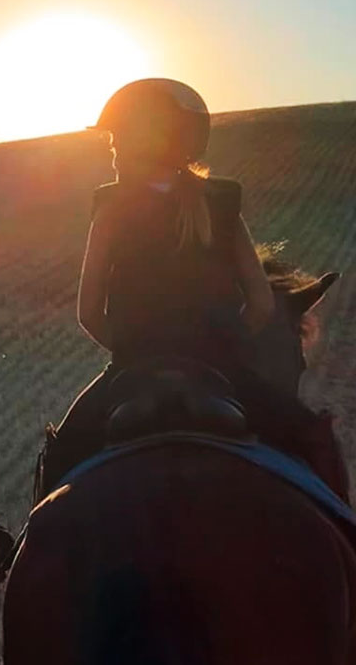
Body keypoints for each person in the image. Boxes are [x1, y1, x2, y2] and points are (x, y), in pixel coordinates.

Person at [38, 78, 322, 496]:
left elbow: (88, 313)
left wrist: (132, 348)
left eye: (119, 138)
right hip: (218, 368)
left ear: (145, 140)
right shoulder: (221, 202)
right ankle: (350, 550)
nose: (113, 149)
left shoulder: (112, 207)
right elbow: (261, 303)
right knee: (309, 439)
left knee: (62, 456)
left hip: (134, 368)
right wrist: (225, 347)